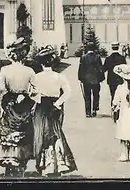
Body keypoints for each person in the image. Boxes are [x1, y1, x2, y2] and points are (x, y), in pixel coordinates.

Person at [0, 37, 36, 177]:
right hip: (24, 105)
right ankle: (21, 162)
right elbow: (35, 90)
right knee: (23, 132)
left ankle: (9, 162)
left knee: (9, 132)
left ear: (12, 54)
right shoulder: (29, 71)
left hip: (9, 105)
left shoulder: (5, 70)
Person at [31, 46, 77, 177]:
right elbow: (68, 92)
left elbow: (31, 93)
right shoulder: (59, 77)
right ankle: (60, 164)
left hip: (41, 107)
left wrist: (39, 100)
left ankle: (46, 165)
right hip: (55, 107)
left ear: (41, 63)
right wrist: (58, 104)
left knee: (42, 134)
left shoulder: (36, 77)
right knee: (56, 133)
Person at [77, 42, 104, 117]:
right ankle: (94, 109)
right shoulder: (97, 57)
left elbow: (81, 69)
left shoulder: (83, 57)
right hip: (96, 79)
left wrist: (80, 78)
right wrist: (101, 78)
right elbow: (100, 68)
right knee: (96, 95)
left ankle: (88, 112)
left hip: (86, 80)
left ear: (87, 48)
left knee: (87, 96)